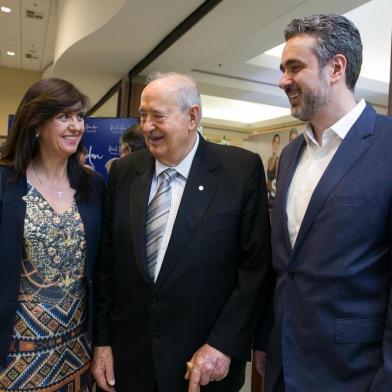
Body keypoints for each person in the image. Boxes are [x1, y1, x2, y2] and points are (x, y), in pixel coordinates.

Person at [92, 72, 272, 392]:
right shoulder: (123, 172)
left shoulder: (240, 171)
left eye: (157, 116)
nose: (146, 126)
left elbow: (255, 269)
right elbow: (107, 265)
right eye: (143, 115)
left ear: (192, 116)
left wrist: (223, 344)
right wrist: (102, 343)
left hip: (202, 365)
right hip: (130, 363)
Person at [255, 14, 392, 391]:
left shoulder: (387, 145)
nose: (283, 80)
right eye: (283, 68)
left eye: (294, 67)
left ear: (336, 68)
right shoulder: (289, 155)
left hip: (354, 374)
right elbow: (286, 268)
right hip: (283, 364)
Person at [0, 78, 104, 391]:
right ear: (35, 125)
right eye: (64, 117)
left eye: (80, 116)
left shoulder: (93, 186)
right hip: (17, 354)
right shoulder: (6, 183)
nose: (76, 126)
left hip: (78, 351)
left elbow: (103, 266)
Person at [266, 134, 280, 211]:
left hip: (274, 197)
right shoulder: (269, 160)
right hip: (268, 195)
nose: (276, 145)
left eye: (278, 142)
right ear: (272, 143)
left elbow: (278, 180)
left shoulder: (279, 160)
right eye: (275, 142)